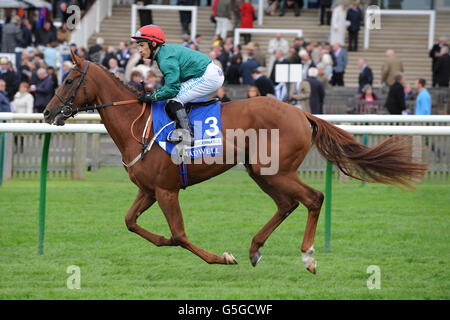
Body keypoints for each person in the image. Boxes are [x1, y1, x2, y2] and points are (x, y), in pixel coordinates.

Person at [132, 24, 224, 145]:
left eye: (142, 45)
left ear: (153, 44)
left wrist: (152, 97)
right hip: (209, 72)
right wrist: (155, 94)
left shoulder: (165, 59)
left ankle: (187, 135)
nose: (140, 50)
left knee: (174, 99)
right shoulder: (164, 53)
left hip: (208, 76)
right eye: (139, 46)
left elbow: (172, 89)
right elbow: (171, 86)